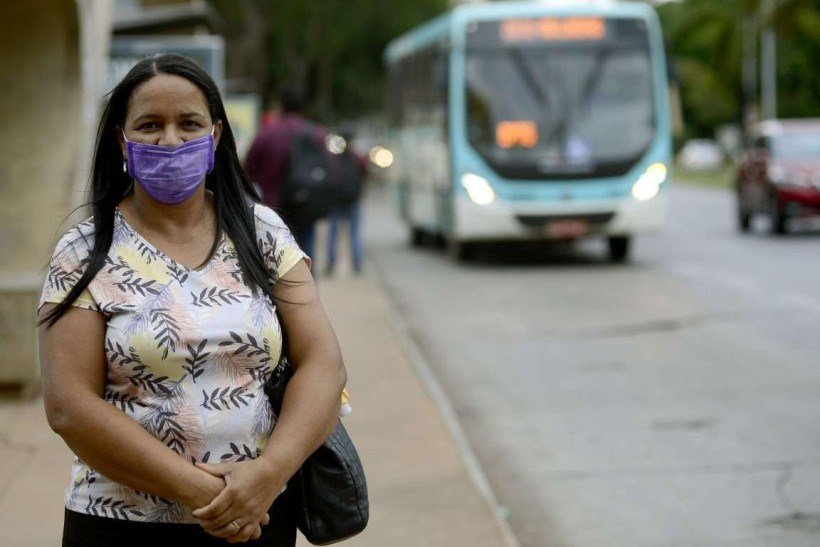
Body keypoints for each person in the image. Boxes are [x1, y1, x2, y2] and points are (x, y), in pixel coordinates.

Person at [37, 53, 346, 546]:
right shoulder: (84, 251)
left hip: (261, 518)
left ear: (216, 136)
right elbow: (69, 406)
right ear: (122, 139)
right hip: (123, 524)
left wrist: (269, 474)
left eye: (189, 123)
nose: (171, 139)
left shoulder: (262, 231)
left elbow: (323, 363)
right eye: (149, 125)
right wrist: (209, 495)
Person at [244, 87, 325, 259]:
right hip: (305, 206)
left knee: (274, 259)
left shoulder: (268, 133)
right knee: (306, 255)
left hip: (273, 208)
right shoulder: (315, 134)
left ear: (281, 105)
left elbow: (248, 169)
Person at [326, 124, 367, 276]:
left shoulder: (334, 158)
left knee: (333, 234)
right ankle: (357, 265)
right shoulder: (357, 157)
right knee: (354, 234)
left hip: (336, 201)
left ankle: (330, 264)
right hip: (353, 200)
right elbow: (365, 172)